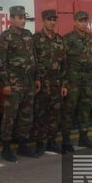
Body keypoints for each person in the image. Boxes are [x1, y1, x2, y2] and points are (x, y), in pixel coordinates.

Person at [0, 5, 40, 162]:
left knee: (26, 115)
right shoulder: (5, 37)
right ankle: (6, 148)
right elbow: (1, 63)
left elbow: (34, 58)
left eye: (24, 17)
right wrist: (5, 84)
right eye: (20, 18)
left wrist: (36, 78)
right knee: (10, 116)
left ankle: (23, 145)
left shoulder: (28, 35)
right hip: (14, 84)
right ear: (11, 19)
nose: (23, 20)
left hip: (28, 82)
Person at [62, 10, 92, 150]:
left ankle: (83, 138)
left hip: (87, 80)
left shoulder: (90, 38)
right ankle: (66, 141)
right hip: (73, 81)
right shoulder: (67, 39)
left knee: (85, 109)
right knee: (69, 110)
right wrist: (64, 82)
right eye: (80, 21)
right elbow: (63, 62)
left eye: (85, 21)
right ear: (74, 22)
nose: (84, 24)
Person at [33, 9, 67, 155]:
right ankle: (40, 143)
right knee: (40, 113)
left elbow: (64, 65)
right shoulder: (35, 39)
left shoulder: (60, 40)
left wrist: (64, 85)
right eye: (49, 20)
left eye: (54, 20)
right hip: (41, 83)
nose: (52, 23)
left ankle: (52, 142)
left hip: (56, 83)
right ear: (43, 21)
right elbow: (33, 62)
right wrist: (36, 80)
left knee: (55, 114)